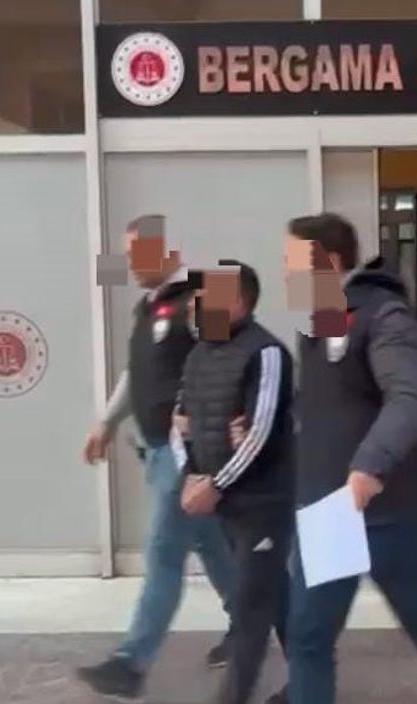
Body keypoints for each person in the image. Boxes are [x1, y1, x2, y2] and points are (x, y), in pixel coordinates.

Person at [283, 213, 417, 704]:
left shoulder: (386, 316)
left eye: (293, 261)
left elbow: (408, 399)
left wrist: (370, 466)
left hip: (387, 512)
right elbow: (324, 404)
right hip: (330, 511)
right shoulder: (319, 321)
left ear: (329, 261)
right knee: (308, 636)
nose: (286, 272)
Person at [77, 214, 237, 700]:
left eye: (137, 254)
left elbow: (230, 362)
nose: (130, 264)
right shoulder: (147, 308)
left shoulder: (205, 294)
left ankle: (131, 663)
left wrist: (216, 430)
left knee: (164, 552)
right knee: (211, 543)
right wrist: (107, 422)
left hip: (187, 453)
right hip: (155, 451)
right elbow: (137, 373)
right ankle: (253, 620)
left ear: (169, 251)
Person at [178, 261, 295, 704]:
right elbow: (182, 421)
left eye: (205, 296)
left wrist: (216, 484)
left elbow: (259, 433)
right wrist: (192, 473)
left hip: (263, 501)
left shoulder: (266, 353)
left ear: (239, 302)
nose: (195, 305)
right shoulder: (199, 354)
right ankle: (314, 676)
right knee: (274, 593)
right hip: (226, 503)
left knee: (251, 607)